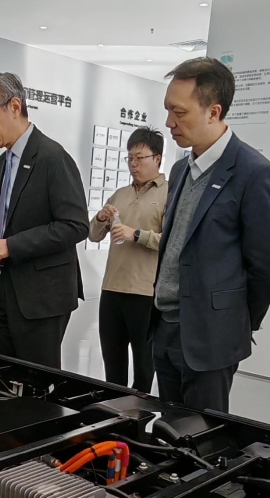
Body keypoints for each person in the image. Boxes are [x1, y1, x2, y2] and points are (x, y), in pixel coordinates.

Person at [150, 57, 270, 414]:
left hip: (210, 337)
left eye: (179, 112)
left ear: (214, 112)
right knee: (167, 429)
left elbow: (268, 266)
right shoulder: (180, 169)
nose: (169, 122)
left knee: (203, 437)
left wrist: (234, 322)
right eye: (167, 110)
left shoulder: (254, 174)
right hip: (165, 326)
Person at [0, 72, 89, 369]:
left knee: (37, 383)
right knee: (8, 377)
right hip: (4, 290)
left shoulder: (52, 157)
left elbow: (75, 225)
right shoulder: (2, 162)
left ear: (14, 106)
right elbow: (15, 216)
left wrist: (11, 245)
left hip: (41, 297)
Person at [90, 127, 168, 391]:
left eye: (140, 158)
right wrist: (100, 218)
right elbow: (93, 235)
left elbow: (171, 242)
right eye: (130, 158)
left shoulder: (169, 194)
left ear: (157, 159)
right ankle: (113, 411)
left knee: (144, 366)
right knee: (112, 365)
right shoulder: (120, 194)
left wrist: (135, 234)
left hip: (145, 292)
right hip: (112, 288)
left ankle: (138, 413)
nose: (133, 164)